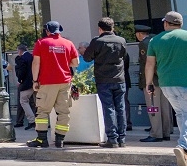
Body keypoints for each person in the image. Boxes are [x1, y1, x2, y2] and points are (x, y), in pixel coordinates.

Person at [145, 11, 187, 166]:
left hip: (166, 84)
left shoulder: (155, 40)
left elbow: (149, 65)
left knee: (182, 114)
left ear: (166, 23)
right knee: (185, 113)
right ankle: (183, 146)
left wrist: (149, 84)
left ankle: (185, 149)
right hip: (185, 82)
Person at [27, 21, 79, 149]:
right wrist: (62, 63)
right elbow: (76, 62)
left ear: (47, 30)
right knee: (63, 112)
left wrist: (35, 81)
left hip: (47, 82)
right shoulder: (68, 43)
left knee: (43, 112)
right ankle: (60, 140)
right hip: (65, 82)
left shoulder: (41, 43)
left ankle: (41, 139)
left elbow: (36, 63)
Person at [80, 17, 128, 148]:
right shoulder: (121, 40)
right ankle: (122, 138)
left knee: (108, 108)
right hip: (119, 79)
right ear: (113, 27)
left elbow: (87, 57)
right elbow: (124, 56)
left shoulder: (97, 41)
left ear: (100, 29)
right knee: (121, 108)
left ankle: (112, 138)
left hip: (103, 79)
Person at [136, 24, 173, 142]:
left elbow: (149, 63)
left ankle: (156, 134)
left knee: (153, 108)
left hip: (152, 81)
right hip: (163, 80)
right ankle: (166, 132)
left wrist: (149, 81)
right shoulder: (159, 41)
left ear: (139, 34)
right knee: (164, 108)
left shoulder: (144, 43)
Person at [14, 43, 35, 130]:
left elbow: (22, 72)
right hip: (36, 82)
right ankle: (42, 121)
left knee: (23, 101)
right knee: (37, 103)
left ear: (19, 51)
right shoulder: (32, 57)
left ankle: (32, 120)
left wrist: (20, 80)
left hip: (26, 83)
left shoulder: (22, 58)